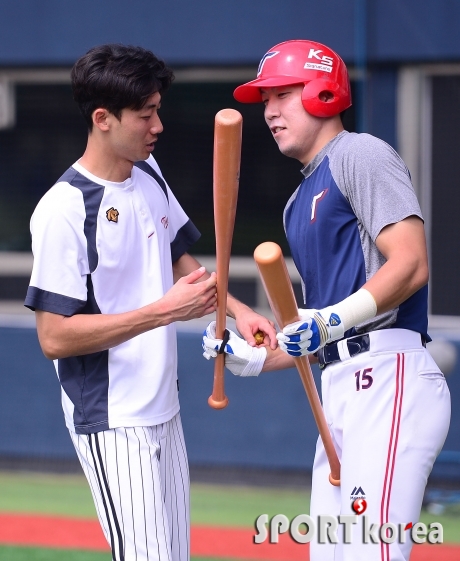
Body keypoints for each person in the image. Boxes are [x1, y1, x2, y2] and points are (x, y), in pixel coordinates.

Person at [24, 43, 275, 561]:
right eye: (147, 114)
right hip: (112, 419)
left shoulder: (150, 174)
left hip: (166, 407)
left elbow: (183, 261)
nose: (158, 124)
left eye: (158, 109)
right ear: (103, 119)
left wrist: (240, 312)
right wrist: (163, 311)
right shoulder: (63, 209)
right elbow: (54, 337)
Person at [202, 39, 451, 561]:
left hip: (388, 378)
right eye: (264, 100)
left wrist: (328, 320)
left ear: (322, 91)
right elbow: (318, 334)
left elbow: (409, 262)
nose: (268, 111)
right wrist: (255, 356)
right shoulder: (298, 204)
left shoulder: (359, 153)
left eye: (282, 95)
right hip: (337, 387)